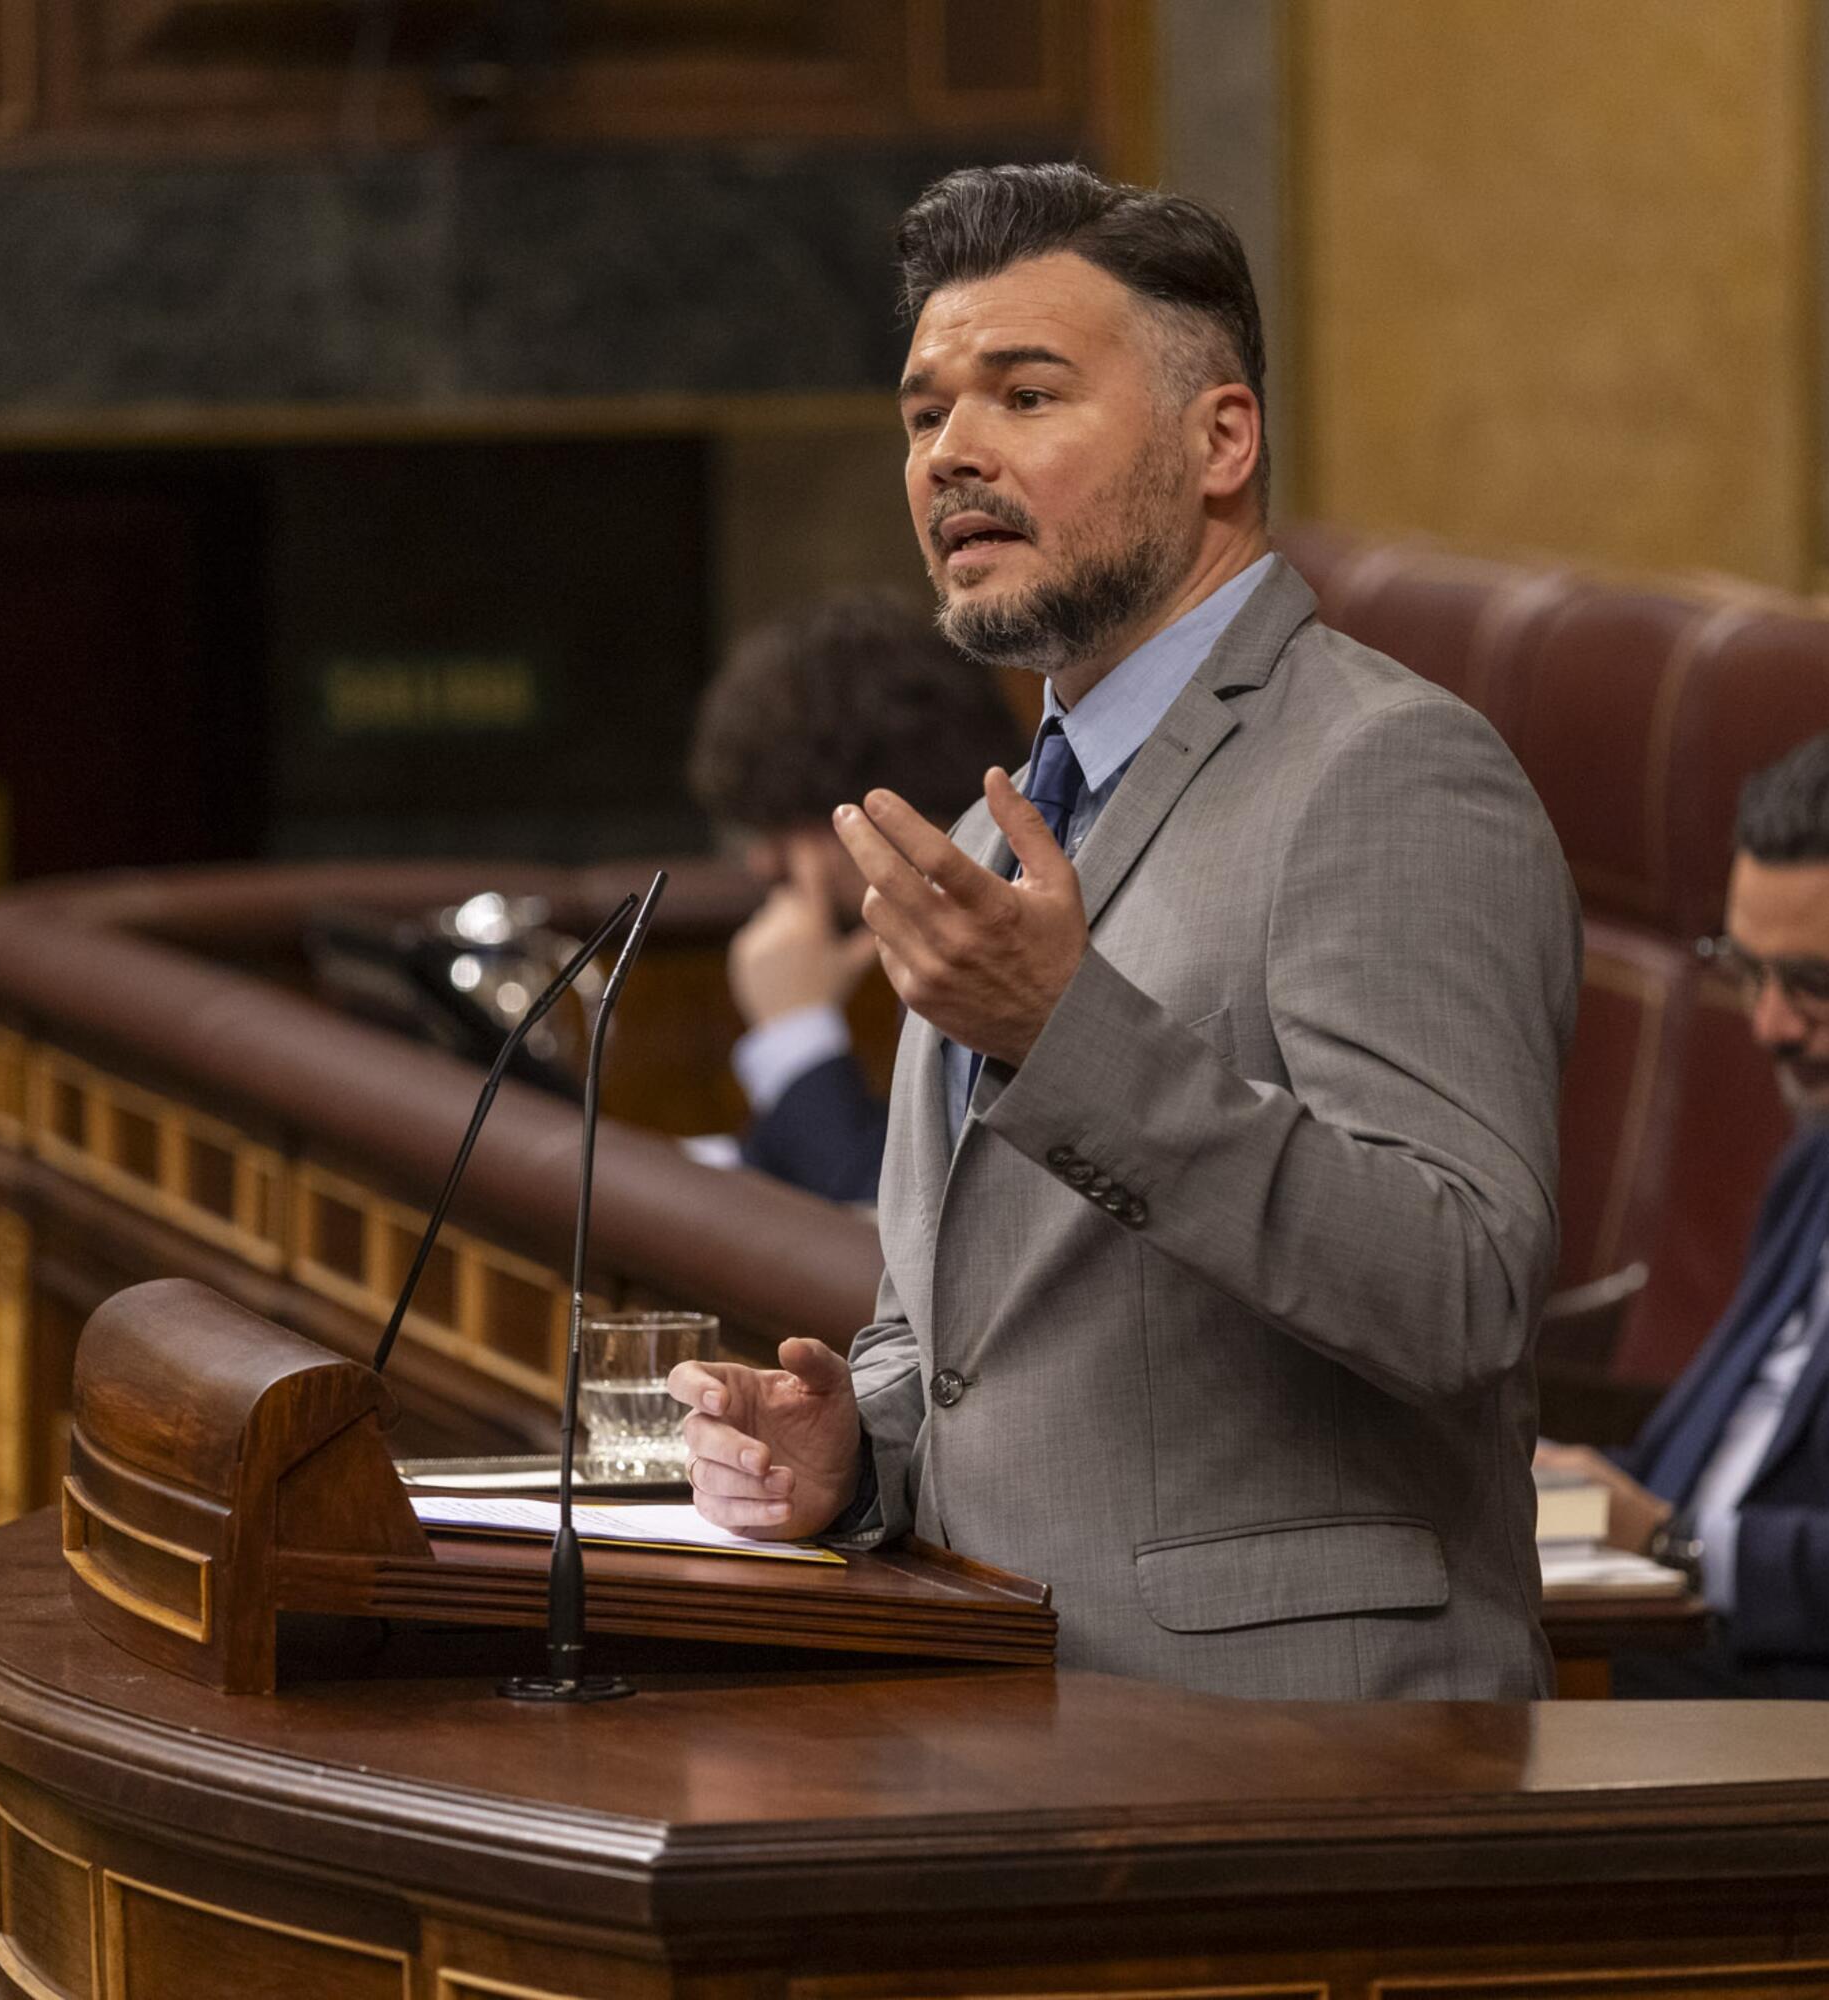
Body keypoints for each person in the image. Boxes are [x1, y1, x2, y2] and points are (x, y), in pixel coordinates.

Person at [671, 162, 1580, 1700]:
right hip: (1009, 1720)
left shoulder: (1386, 771)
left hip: (1307, 1764)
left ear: (1220, 439)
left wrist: (1063, 1031)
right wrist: (858, 1442)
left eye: (1025, 396)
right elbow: (957, 1329)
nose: (952, 452)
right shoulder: (986, 831)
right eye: (922, 414)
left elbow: (1461, 1291)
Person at [1539, 728, 1829, 1716]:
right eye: (1747, 967)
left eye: (1815, 983)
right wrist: (1554, 1497)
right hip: (1673, 1633)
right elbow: (1715, 1443)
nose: (1769, 1023)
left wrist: (1672, 1540)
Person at [686, 592, 1024, 1203]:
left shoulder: (1005, 925)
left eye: (788, 823)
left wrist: (795, 1027)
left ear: (882, 802)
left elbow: (893, 1217)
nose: (764, 863)